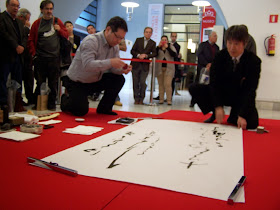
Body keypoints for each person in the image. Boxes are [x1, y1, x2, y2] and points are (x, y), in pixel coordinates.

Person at [189, 25, 261, 129]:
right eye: (229, 43)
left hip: (239, 95)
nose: (232, 47)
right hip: (223, 92)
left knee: (251, 123)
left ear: (244, 44)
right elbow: (214, 83)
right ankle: (215, 112)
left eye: (236, 44)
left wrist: (242, 114)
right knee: (194, 88)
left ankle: (234, 115)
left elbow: (250, 89)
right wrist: (217, 106)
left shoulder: (253, 61)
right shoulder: (220, 56)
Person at [61, 16, 131, 116]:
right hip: (77, 82)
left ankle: (104, 108)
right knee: (80, 111)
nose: (119, 41)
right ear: (108, 30)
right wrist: (111, 62)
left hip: (95, 80)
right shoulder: (91, 41)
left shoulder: (115, 46)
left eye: (122, 38)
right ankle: (65, 100)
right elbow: (88, 65)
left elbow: (112, 69)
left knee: (119, 79)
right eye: (117, 36)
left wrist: (122, 69)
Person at [28, 0, 68, 111]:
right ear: (42, 10)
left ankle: (51, 104)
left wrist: (60, 30)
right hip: (40, 58)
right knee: (40, 82)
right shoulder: (36, 23)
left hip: (54, 58)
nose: (49, 11)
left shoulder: (57, 21)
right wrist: (33, 53)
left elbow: (66, 35)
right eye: (47, 9)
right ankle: (39, 103)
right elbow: (31, 39)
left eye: (51, 9)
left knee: (53, 83)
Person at [0, 0, 26, 112]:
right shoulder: (1, 17)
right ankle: (3, 104)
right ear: (7, 5)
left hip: (18, 56)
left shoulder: (19, 22)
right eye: (13, 5)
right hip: (5, 55)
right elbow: (3, 34)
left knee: (18, 80)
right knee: (2, 80)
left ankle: (17, 103)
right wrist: (16, 46)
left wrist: (22, 47)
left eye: (17, 6)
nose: (16, 8)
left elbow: (24, 36)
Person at [190, 31, 219, 107]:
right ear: (209, 37)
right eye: (214, 36)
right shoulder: (203, 45)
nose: (216, 38)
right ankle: (193, 101)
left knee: (209, 86)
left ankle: (207, 103)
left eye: (216, 36)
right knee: (198, 85)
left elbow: (217, 58)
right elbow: (199, 55)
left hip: (212, 69)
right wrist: (207, 64)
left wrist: (212, 65)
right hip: (202, 68)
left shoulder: (217, 47)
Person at [131, 27, 157, 105]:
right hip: (136, 64)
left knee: (142, 82)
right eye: (146, 32)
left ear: (151, 34)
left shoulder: (153, 43)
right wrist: (138, 55)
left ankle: (141, 98)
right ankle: (136, 98)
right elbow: (132, 50)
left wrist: (146, 55)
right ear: (144, 33)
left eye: (150, 32)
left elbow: (155, 53)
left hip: (145, 65)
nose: (148, 33)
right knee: (135, 82)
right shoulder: (138, 40)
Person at [16, 8, 34, 106]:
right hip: (19, 58)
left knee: (29, 80)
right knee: (18, 80)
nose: (28, 22)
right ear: (21, 17)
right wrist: (26, 28)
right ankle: (18, 100)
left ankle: (30, 98)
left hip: (28, 59)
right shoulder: (18, 27)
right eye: (27, 19)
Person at [155, 35, 177, 105]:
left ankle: (169, 100)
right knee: (160, 84)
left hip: (169, 69)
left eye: (165, 40)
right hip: (159, 68)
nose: (164, 41)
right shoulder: (158, 48)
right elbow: (154, 54)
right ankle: (161, 99)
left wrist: (168, 48)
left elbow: (174, 55)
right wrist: (158, 47)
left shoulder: (171, 47)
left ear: (167, 41)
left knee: (167, 84)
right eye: (162, 40)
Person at [114, 39, 127, 107]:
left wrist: (114, 46)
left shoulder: (120, 38)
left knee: (119, 79)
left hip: (115, 60)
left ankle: (116, 99)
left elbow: (124, 48)